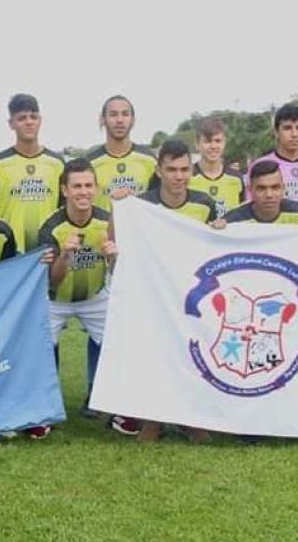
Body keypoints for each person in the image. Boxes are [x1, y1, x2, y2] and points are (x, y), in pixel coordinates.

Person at [114, 138, 219, 441]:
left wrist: (221, 229)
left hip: (194, 292)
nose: (179, 176)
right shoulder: (141, 204)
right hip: (154, 292)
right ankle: (153, 420)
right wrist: (118, 206)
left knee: (194, 354)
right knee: (155, 355)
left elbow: (215, 247)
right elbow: (120, 241)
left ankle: (193, 420)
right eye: (172, 169)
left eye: (185, 169)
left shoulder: (204, 204)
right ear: (159, 170)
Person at [39, 159, 116, 430]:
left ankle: (105, 402)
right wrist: (66, 254)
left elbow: (120, 273)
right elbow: (53, 279)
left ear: (96, 188)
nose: (83, 192)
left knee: (117, 342)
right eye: (77, 186)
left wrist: (114, 258)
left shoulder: (107, 222)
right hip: (55, 299)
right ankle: (45, 406)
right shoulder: (51, 227)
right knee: (40, 347)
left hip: (95, 297)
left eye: (88, 186)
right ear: (64, 190)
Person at [0, 94, 64, 252]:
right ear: (11, 124)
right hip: (9, 250)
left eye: (33, 117)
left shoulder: (57, 163)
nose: (29, 122)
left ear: (40, 120)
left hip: (48, 248)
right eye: (22, 118)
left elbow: (64, 207)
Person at [250, 103, 298, 221]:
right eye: (287, 128)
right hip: (274, 235)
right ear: (276, 132)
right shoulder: (260, 165)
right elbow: (251, 208)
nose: (294, 134)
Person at [84, 95, 156, 212]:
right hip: (104, 229)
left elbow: (159, 203)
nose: (119, 120)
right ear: (102, 119)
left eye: (125, 114)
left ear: (133, 120)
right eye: (113, 114)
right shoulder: (90, 164)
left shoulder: (150, 160)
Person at [222, 160, 298, 225]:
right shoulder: (232, 221)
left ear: (283, 188)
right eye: (261, 188)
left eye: (275, 187)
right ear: (250, 190)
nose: (269, 195)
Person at [188, 116, 245, 216]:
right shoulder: (187, 176)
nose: (213, 146)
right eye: (207, 141)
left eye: (218, 141)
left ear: (224, 142)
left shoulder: (236, 178)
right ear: (197, 144)